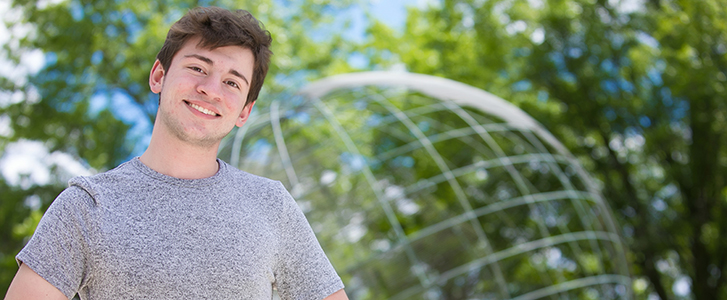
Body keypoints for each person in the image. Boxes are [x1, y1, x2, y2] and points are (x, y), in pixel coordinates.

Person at [4, 6, 347, 300]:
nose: (210, 89)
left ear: (245, 111)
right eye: (198, 68)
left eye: (232, 83)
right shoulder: (86, 206)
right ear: (158, 75)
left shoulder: (272, 205)